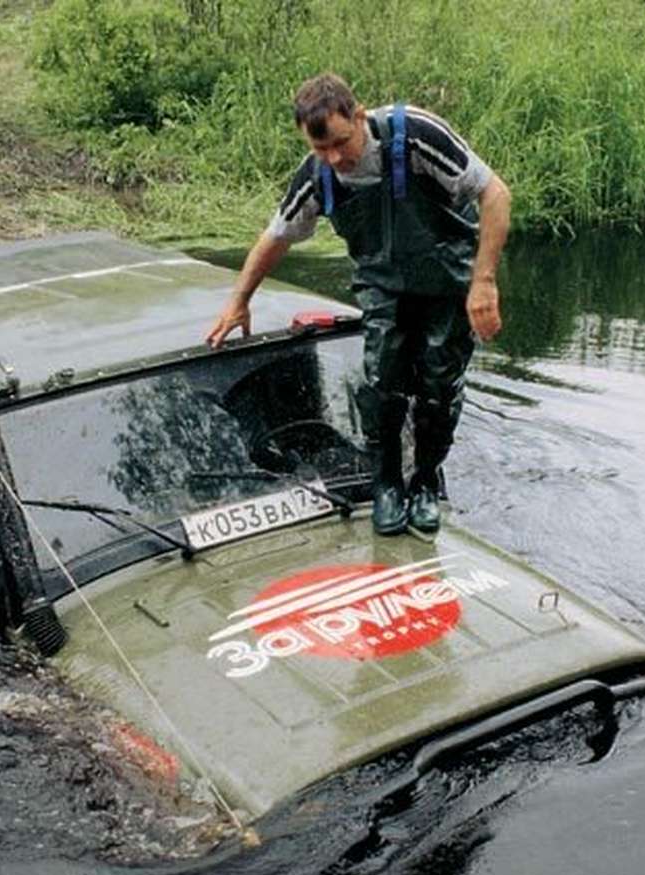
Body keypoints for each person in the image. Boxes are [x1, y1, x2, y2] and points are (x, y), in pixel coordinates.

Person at [207, 72, 510, 537]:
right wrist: (239, 301)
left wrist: (483, 282)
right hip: (382, 283)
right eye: (320, 148)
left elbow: (495, 194)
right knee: (382, 380)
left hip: (448, 276)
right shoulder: (317, 176)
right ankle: (387, 483)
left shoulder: (416, 137)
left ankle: (425, 481)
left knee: (439, 386)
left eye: (340, 143)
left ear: (359, 116)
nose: (334, 158)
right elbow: (276, 237)